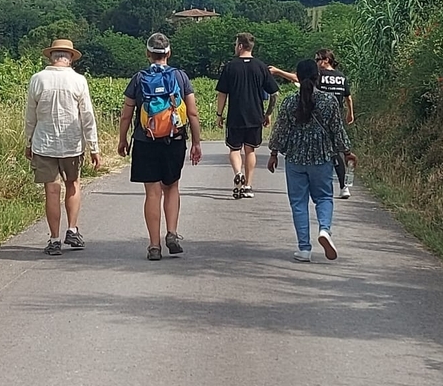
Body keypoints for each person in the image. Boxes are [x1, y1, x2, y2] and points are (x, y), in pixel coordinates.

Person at [118, 32, 202, 261]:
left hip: (146, 141)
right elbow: (192, 113)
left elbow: (126, 115)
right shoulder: (180, 77)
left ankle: (154, 246)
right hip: (174, 140)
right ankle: (172, 233)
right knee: (172, 187)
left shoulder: (138, 78)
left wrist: (123, 139)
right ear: (169, 53)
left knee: (152, 193)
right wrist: (196, 142)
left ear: (148, 53)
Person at [267, 59, 356, 262]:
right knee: (324, 197)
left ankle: (304, 249)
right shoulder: (329, 101)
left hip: (295, 159)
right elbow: (337, 131)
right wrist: (347, 152)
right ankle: (324, 229)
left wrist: (273, 153)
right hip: (322, 159)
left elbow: (280, 130)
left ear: (297, 77)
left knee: (298, 203)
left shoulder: (289, 102)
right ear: (318, 77)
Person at [25, 38, 100, 256]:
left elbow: (30, 115)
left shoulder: (37, 79)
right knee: (73, 184)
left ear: (51, 57)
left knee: (51, 190)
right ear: (70, 59)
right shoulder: (78, 81)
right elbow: (87, 116)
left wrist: (28, 141)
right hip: (72, 143)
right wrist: (94, 146)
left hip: (44, 143)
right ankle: (72, 230)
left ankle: (54, 239)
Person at [269, 48, 355, 199]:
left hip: (314, 114)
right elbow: (348, 97)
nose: (316, 63)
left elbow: (299, 79)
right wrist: (350, 113)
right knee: (337, 153)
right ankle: (344, 186)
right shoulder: (341, 77)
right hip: (334, 116)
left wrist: (278, 72)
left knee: (319, 154)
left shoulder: (319, 76)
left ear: (326, 60)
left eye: (317, 59)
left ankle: (311, 186)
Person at [216, 32, 279, 198]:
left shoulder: (230, 67)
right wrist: (268, 113)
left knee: (234, 149)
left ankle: (238, 173)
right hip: (255, 116)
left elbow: (222, 93)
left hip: (235, 116)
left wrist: (219, 114)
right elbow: (274, 93)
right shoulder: (261, 67)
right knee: (250, 150)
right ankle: (248, 186)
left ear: (240, 46)